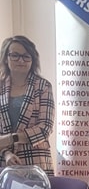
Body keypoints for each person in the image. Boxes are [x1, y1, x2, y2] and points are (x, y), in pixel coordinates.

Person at [0, 34, 55, 172]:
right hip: (5, 162)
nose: (21, 60)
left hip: (36, 161)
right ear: (6, 58)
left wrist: (12, 138)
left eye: (26, 56)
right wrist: (6, 153)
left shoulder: (43, 86)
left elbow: (45, 128)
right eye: (15, 55)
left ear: (32, 59)